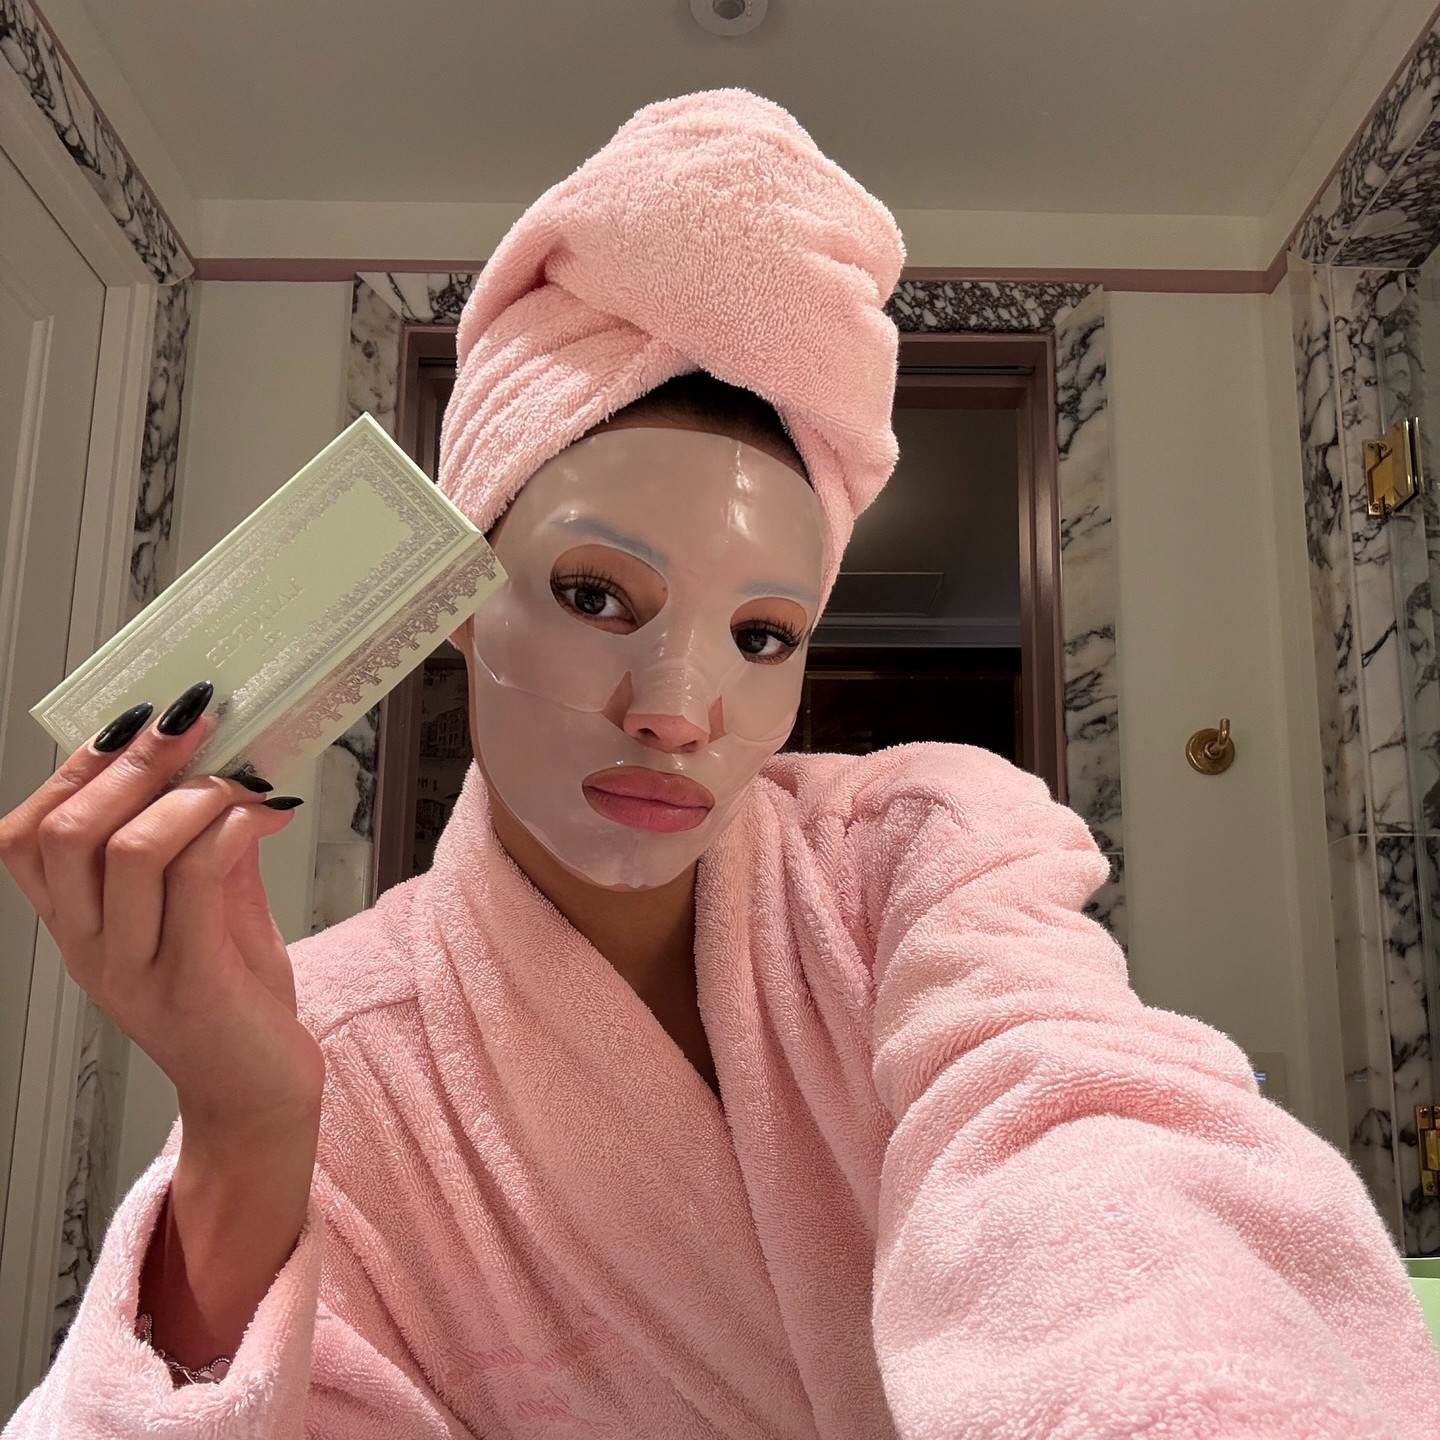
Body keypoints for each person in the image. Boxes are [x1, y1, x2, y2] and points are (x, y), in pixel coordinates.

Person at [2, 87, 1438, 1440]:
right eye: (594, 595)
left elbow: (1082, 1134)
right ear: (457, 605)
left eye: (763, 634)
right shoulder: (331, 1037)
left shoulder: (919, 853)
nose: (680, 712)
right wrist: (246, 1123)